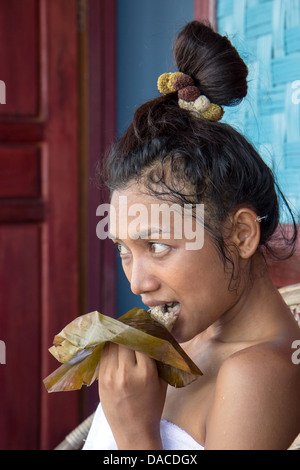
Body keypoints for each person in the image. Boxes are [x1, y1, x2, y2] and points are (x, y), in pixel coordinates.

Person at [83, 21, 300, 450]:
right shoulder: (188, 332)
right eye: (124, 250)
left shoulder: (257, 373)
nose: (136, 283)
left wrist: (135, 435)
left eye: (158, 245)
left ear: (240, 234)